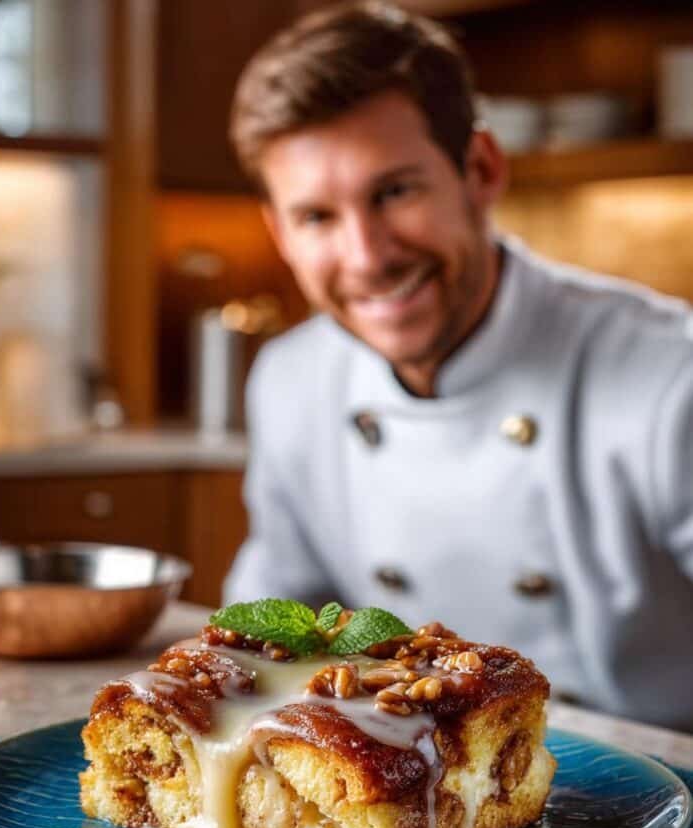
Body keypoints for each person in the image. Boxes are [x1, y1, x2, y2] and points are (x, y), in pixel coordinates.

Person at [222, 0, 693, 728]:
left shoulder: (669, 375)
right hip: (406, 780)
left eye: (394, 192)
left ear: (480, 169)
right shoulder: (292, 381)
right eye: (317, 217)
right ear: (279, 233)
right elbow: (266, 639)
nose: (366, 257)